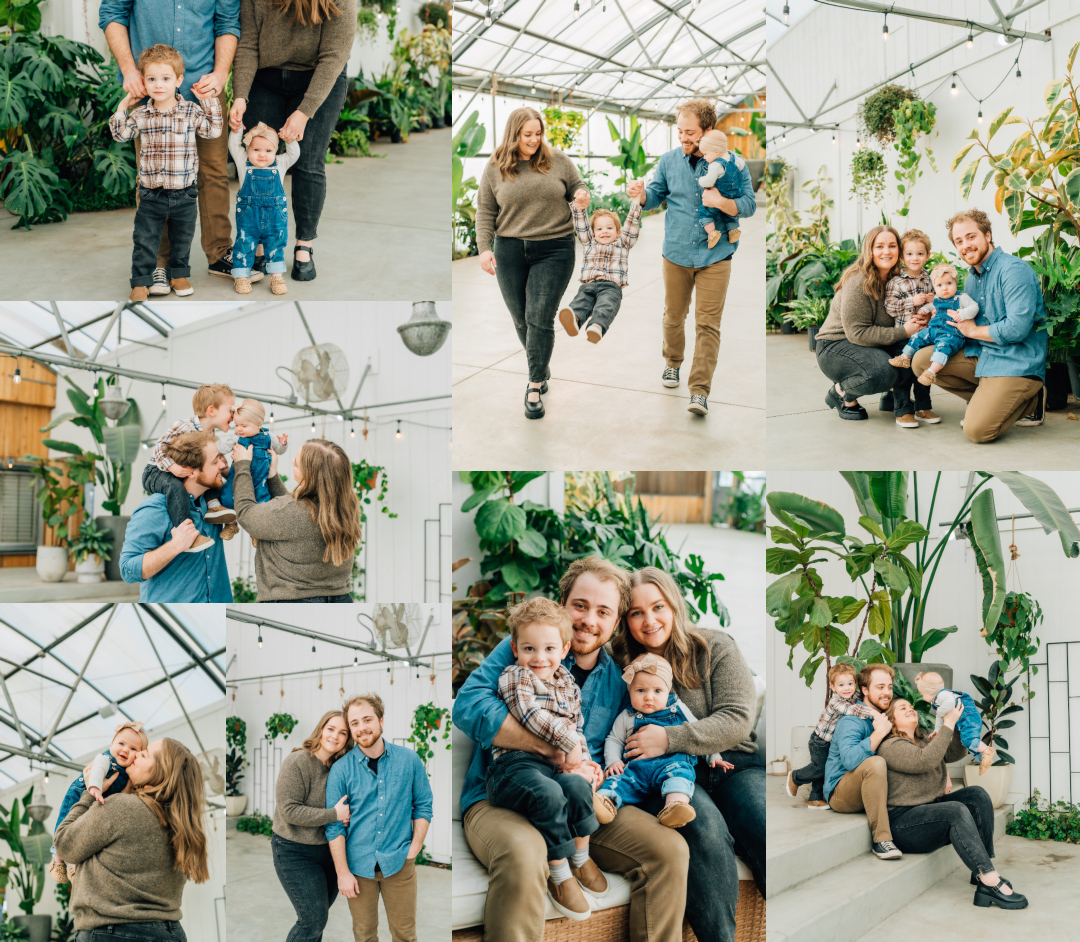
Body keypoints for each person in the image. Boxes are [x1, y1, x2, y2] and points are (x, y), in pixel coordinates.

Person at [455, 556, 691, 942]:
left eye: (603, 612)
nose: (588, 620)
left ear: (617, 622)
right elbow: (468, 706)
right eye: (580, 605)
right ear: (562, 603)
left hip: (578, 798)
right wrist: (550, 749)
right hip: (499, 794)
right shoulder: (530, 646)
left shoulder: (619, 678)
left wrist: (595, 769)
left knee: (670, 850)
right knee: (525, 852)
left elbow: (622, 738)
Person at [611, 567, 763, 942]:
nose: (649, 621)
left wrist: (670, 737)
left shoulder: (715, 646)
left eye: (658, 607)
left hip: (733, 766)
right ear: (625, 620)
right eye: (636, 612)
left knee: (762, 821)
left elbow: (737, 718)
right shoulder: (619, 663)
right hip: (666, 776)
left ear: (675, 605)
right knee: (703, 830)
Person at [99, 0, 239, 293]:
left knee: (214, 173)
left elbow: (227, 22)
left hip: (204, 88)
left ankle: (219, 254)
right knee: (154, 179)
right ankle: (158, 265)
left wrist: (220, 73)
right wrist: (129, 70)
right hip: (149, 88)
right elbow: (112, 12)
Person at [629, 98, 757, 417]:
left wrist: (722, 203)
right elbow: (655, 197)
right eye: (680, 131)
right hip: (676, 252)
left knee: (708, 325)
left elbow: (749, 204)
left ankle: (699, 391)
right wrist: (641, 195)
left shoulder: (734, 164)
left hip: (717, 255)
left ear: (707, 130)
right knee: (673, 317)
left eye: (690, 132)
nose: (683, 138)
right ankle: (672, 362)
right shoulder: (669, 161)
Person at [485, 597, 604, 922]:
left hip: (554, 767)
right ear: (515, 648)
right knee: (549, 794)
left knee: (578, 787)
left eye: (549, 648)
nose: (539, 657)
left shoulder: (567, 684)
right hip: (513, 767)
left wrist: (584, 762)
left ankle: (581, 857)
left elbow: (576, 727)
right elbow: (529, 713)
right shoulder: (515, 676)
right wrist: (567, 743)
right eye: (529, 648)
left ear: (564, 649)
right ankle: (560, 875)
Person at [229, 0, 357, 283]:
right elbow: (248, 43)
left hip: (319, 78)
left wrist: (304, 111)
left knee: (308, 161)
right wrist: (241, 95)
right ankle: (259, 244)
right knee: (259, 160)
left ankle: (304, 246)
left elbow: (334, 55)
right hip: (265, 79)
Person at [475, 106, 590, 419]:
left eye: (538, 134)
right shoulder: (496, 166)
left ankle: (535, 384)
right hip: (509, 250)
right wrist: (484, 248)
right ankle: (540, 364)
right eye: (527, 134)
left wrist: (582, 196)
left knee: (539, 317)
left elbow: (578, 186)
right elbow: (485, 210)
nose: (534, 140)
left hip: (555, 249)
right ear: (514, 134)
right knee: (521, 319)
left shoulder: (557, 160)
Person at [911, 209, 1048, 442]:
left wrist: (974, 331)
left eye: (971, 237)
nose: (965, 245)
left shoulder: (1013, 270)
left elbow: (1017, 329)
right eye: (959, 241)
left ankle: (1031, 400)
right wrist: (936, 319)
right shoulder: (972, 278)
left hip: (1015, 361)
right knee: (922, 361)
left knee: (977, 431)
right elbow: (963, 322)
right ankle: (988, 400)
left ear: (987, 235)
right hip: (984, 355)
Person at [53, 737, 211, 940]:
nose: (135, 754)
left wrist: (90, 792)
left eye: (144, 755)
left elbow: (64, 845)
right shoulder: (181, 825)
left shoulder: (121, 807)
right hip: (170, 933)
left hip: (111, 933)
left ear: (160, 772)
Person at [879, 699, 1027, 910]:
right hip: (904, 823)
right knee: (955, 811)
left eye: (911, 707)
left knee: (977, 795)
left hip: (929, 808)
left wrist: (957, 727)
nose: (910, 709)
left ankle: (982, 871)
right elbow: (924, 761)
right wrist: (947, 725)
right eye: (902, 708)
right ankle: (990, 880)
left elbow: (954, 753)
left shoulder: (922, 740)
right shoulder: (891, 746)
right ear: (892, 720)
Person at [109, 44, 223, 302]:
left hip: (184, 192)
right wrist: (123, 105)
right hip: (151, 193)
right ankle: (141, 281)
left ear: (178, 80)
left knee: (182, 238)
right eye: (151, 79)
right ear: (143, 82)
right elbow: (121, 134)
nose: (158, 85)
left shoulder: (191, 111)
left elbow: (213, 131)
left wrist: (207, 101)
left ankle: (178, 275)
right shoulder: (141, 114)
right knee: (145, 239)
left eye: (165, 78)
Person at [325, 694, 433, 942]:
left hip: (399, 862)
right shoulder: (341, 769)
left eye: (367, 719)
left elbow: (423, 805)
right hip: (358, 867)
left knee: (405, 935)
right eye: (354, 723)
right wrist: (342, 872)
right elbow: (334, 826)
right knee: (364, 935)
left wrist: (414, 849)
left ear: (381, 721)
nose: (362, 727)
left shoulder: (409, 760)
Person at [596, 652, 732, 827]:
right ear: (629, 691)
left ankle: (675, 807)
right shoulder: (627, 716)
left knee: (680, 776)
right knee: (618, 782)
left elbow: (698, 731)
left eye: (657, 691)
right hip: (636, 769)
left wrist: (713, 756)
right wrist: (613, 761)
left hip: (672, 764)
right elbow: (614, 739)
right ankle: (604, 804)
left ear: (668, 691)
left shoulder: (677, 708)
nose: (649, 697)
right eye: (640, 690)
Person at [814, 225, 931, 427]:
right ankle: (842, 393)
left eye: (892, 246)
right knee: (883, 372)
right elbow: (857, 333)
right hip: (835, 346)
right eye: (879, 246)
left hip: (870, 343)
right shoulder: (858, 281)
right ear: (870, 250)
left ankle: (892, 397)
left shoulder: (898, 279)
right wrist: (904, 331)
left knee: (908, 353)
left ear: (899, 251)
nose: (887, 251)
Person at [230, 438, 361, 601]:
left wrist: (242, 465)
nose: (292, 462)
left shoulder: (291, 512)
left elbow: (246, 513)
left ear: (311, 475)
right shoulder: (344, 508)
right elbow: (294, 515)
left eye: (297, 464)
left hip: (294, 600)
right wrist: (272, 476)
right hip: (340, 598)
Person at [120, 430, 233, 602]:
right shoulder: (155, 509)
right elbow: (127, 570)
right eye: (214, 462)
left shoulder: (215, 504)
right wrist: (175, 545)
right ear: (190, 471)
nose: (222, 466)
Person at [272, 710, 352, 942]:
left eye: (342, 733)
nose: (335, 736)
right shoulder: (297, 761)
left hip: (328, 851)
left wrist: (346, 817)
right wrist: (334, 814)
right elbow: (289, 811)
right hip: (294, 850)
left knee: (318, 921)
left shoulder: (339, 768)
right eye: (331, 729)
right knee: (312, 921)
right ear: (321, 730)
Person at [142, 382, 238, 554]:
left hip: (179, 472)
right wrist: (172, 467)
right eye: (230, 410)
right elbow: (159, 447)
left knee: (211, 480)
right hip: (157, 471)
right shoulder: (184, 426)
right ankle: (186, 535)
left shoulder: (210, 434)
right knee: (175, 487)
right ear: (211, 411)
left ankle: (215, 507)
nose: (233, 415)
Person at [50, 722, 148, 884]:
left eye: (133, 749)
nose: (125, 750)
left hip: (99, 801)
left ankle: (75, 866)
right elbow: (97, 770)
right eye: (121, 744)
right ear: (112, 743)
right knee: (66, 822)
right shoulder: (106, 759)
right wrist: (94, 787)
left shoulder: (129, 774)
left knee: (84, 831)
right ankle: (57, 859)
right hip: (81, 792)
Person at [822, 664, 901, 859]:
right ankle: (881, 840)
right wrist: (878, 733)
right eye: (880, 687)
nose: (887, 693)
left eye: (889, 687)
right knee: (876, 763)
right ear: (864, 690)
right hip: (840, 793)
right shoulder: (851, 720)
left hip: (871, 788)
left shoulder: (885, 716)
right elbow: (850, 761)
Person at [785, 662, 874, 809]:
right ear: (832, 687)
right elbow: (852, 710)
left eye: (850, 684)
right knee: (818, 768)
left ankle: (815, 799)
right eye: (841, 685)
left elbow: (862, 698)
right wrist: (872, 712)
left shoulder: (853, 694)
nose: (847, 688)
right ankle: (795, 777)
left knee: (825, 769)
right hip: (820, 741)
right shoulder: (835, 702)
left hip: (830, 741)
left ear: (855, 684)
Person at [558, 194, 643, 344]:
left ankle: (596, 326)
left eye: (609, 228)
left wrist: (636, 201)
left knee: (605, 306)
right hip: (589, 284)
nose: (604, 231)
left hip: (611, 287)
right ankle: (574, 320)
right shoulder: (589, 242)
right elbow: (581, 225)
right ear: (593, 232)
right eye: (599, 229)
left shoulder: (623, 243)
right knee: (581, 301)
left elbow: (632, 224)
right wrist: (579, 207)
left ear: (618, 232)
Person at [228, 123, 300, 294]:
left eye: (268, 150)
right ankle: (242, 276)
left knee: (275, 245)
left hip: (275, 217)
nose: (262, 154)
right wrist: (237, 129)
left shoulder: (280, 163)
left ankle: (276, 277)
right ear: (248, 149)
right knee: (244, 244)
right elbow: (233, 145)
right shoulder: (243, 161)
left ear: (275, 151)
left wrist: (289, 139)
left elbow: (294, 154)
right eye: (256, 150)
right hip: (249, 217)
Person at [882, 228, 938, 425]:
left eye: (920, 253)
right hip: (904, 337)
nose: (915, 258)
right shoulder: (896, 281)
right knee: (904, 375)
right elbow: (889, 307)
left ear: (927, 255)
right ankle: (903, 410)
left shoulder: (930, 279)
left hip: (925, 335)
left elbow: (940, 304)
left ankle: (923, 407)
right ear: (902, 256)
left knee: (923, 371)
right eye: (910, 254)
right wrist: (911, 302)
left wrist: (933, 304)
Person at [889, 264, 979, 385]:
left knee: (943, 347)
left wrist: (963, 314)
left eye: (949, 283)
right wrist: (924, 310)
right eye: (939, 285)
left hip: (951, 334)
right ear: (935, 287)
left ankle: (931, 372)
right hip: (933, 330)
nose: (945, 288)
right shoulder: (937, 298)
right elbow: (931, 306)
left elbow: (974, 307)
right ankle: (905, 357)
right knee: (918, 336)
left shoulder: (961, 297)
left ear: (956, 283)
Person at [219, 398, 289, 542]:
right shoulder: (236, 437)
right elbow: (224, 448)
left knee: (262, 503)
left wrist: (283, 444)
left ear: (258, 424)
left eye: (244, 425)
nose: (239, 429)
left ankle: (256, 530)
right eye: (236, 425)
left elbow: (279, 450)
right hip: (237, 476)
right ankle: (231, 524)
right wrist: (212, 450)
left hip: (260, 479)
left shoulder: (269, 437)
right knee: (227, 498)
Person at [912, 671, 995, 771]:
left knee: (968, 740)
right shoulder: (939, 700)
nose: (922, 697)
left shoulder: (943, 695)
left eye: (922, 694)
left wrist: (940, 711)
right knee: (966, 741)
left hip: (968, 717)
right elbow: (939, 716)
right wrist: (937, 730)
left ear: (929, 692)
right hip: (965, 720)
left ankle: (987, 750)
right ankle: (985, 760)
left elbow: (950, 702)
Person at [696, 130, 745, 247]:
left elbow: (709, 181)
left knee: (705, 212)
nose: (704, 157)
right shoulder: (734, 158)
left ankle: (712, 233)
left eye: (706, 154)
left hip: (720, 194)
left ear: (717, 152)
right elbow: (742, 166)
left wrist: (700, 180)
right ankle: (733, 230)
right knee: (729, 213)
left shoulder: (715, 165)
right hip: (735, 194)